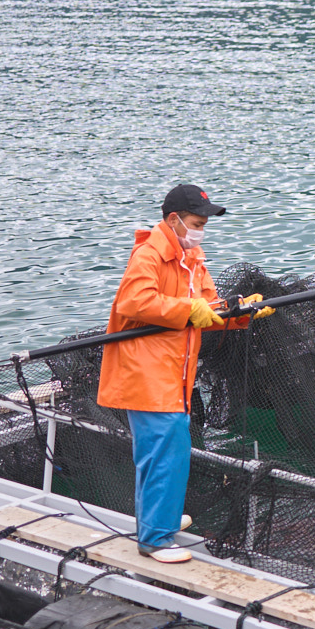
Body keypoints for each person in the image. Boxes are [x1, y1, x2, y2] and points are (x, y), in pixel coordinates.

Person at [96, 183, 270, 563]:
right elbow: (134, 301)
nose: (201, 231)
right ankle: (155, 539)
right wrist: (187, 310)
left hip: (175, 372)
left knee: (166, 451)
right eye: (196, 223)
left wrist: (241, 313)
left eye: (204, 224)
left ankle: (161, 518)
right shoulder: (149, 254)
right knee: (164, 452)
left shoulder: (192, 258)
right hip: (146, 372)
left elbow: (209, 309)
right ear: (174, 220)